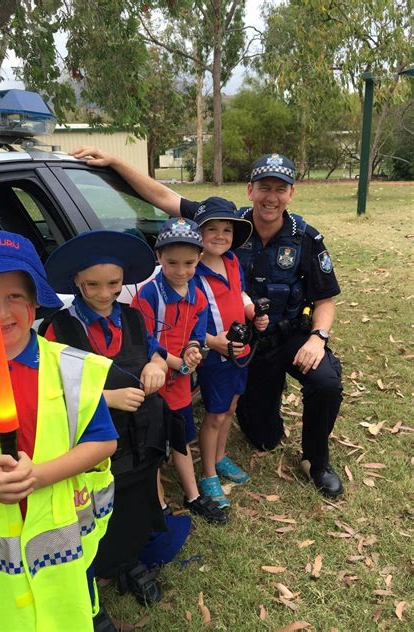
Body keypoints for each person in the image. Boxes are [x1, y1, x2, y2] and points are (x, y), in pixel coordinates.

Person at [70, 147, 344, 499]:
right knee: (261, 435)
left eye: (280, 188)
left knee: (325, 382)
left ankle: (317, 462)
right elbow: (164, 197)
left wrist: (318, 337)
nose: (271, 197)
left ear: (291, 193)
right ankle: (255, 413)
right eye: (264, 187)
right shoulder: (225, 222)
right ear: (250, 190)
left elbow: (325, 300)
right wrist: (116, 161)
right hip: (240, 348)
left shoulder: (304, 237)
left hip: (288, 337)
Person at [0, 230, 118, 632]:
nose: (0, 312)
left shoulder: (73, 370)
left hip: (63, 555)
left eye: (15, 297)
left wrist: (41, 474)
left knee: (69, 616)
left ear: (35, 300)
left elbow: (103, 441)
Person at [42, 230, 190, 620]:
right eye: (93, 284)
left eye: (113, 283)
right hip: (96, 448)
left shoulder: (132, 316)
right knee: (96, 511)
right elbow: (51, 390)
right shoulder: (60, 328)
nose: (104, 293)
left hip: (142, 437)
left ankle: (129, 560)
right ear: (76, 280)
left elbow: (155, 353)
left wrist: (156, 367)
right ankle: (98, 572)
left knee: (136, 501)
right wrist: (105, 399)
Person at [131, 218, 228, 523]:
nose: (182, 270)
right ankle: (156, 504)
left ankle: (194, 495)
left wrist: (193, 350)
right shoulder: (148, 295)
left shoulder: (196, 295)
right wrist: (176, 361)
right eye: (172, 262)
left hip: (181, 383)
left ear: (200, 258)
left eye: (189, 263)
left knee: (182, 437)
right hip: (154, 381)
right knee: (152, 444)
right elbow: (140, 339)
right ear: (158, 257)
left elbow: (197, 334)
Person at [184, 197, 269, 508]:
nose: (220, 236)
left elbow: (240, 292)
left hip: (240, 349)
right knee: (215, 414)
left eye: (226, 229)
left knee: (231, 406)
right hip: (215, 355)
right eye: (212, 229)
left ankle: (219, 457)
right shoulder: (192, 270)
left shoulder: (232, 261)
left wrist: (252, 311)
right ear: (198, 233)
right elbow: (184, 319)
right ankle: (207, 473)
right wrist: (210, 342)